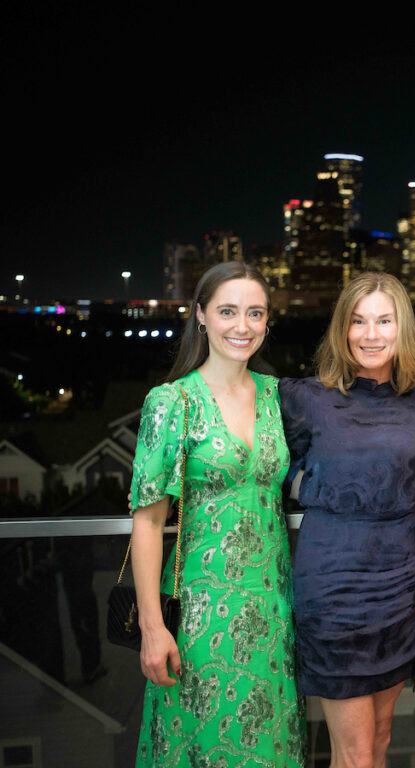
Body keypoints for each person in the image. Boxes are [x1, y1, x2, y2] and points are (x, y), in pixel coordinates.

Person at [129, 261, 306, 767]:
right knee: (203, 746)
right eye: (228, 311)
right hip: (199, 616)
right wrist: (151, 627)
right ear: (201, 316)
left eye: (255, 313)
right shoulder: (172, 402)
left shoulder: (278, 397)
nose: (242, 326)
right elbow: (146, 523)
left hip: (273, 611)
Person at [279, 273, 415, 768]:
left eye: (384, 321)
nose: (371, 334)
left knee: (381, 739)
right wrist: (307, 486)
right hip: (333, 585)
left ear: (402, 328)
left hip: (401, 583)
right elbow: (264, 462)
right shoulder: (307, 398)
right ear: (342, 329)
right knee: (353, 754)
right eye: (358, 321)